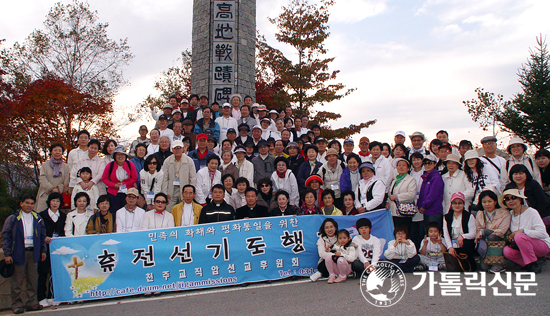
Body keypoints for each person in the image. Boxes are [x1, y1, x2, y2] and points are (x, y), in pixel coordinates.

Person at [2, 194, 46, 313]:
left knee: (32, 280)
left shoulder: (37, 218)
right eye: (27, 203)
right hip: (18, 253)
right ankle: (16, 304)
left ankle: (31, 303)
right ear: (21, 203)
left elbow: (42, 236)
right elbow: (5, 236)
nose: (29, 205)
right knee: (17, 281)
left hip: (33, 252)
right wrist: (7, 254)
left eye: (32, 203)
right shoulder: (13, 218)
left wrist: (43, 250)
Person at [501, 189, 550, 273]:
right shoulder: (510, 214)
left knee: (519, 236)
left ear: (520, 199)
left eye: (514, 198)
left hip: (542, 244)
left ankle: (533, 264)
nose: (511, 201)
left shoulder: (532, 212)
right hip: (522, 246)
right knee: (507, 251)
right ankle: (528, 264)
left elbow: (542, 233)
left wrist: (523, 231)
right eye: (507, 199)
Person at [37, 193, 66, 307]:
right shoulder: (41, 216)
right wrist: (44, 238)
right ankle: (41, 297)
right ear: (49, 202)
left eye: (57, 201)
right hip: (45, 248)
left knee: (57, 272)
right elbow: (37, 232)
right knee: (43, 272)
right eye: (53, 201)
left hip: (58, 249)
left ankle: (53, 295)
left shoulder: (63, 216)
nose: (55, 203)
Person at [474, 188, 511, 273]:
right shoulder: (480, 213)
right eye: (484, 202)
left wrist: (484, 231)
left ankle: (500, 263)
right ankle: (487, 259)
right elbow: (478, 229)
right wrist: (480, 233)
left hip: (499, 239)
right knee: (484, 268)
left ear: (495, 202)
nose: (487, 204)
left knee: (492, 236)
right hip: (486, 242)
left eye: (490, 201)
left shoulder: (504, 212)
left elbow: (502, 230)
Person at [443, 192, 477, 271]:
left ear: (464, 204)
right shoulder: (447, 217)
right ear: (451, 204)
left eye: (460, 203)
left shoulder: (469, 216)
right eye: (454, 203)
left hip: (464, 243)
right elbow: (446, 234)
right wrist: (450, 247)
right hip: (453, 243)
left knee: (466, 244)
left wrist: (462, 236)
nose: (457, 205)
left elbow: (473, 233)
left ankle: (468, 265)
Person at [162, 140, 197, 212]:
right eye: (175, 148)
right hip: (171, 191)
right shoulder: (167, 161)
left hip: (185, 190)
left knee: (183, 211)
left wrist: (191, 192)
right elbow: (164, 178)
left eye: (179, 148)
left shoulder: (189, 160)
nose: (177, 150)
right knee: (169, 210)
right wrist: (164, 193)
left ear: (183, 149)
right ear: (172, 150)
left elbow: (193, 178)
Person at [101, 145, 138, 213]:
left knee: (127, 212)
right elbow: (104, 178)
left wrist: (124, 184)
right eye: (118, 154)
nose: (120, 156)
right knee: (114, 212)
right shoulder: (110, 165)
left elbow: (134, 178)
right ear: (115, 156)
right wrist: (114, 185)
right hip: (113, 193)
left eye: (122, 154)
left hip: (127, 192)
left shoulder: (130, 164)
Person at [36, 143, 70, 212]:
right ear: (51, 152)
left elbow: (67, 181)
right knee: (42, 217)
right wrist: (51, 188)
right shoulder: (44, 165)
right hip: (45, 194)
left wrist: (58, 189)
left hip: (59, 195)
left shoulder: (66, 167)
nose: (57, 152)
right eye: (55, 150)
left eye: (59, 151)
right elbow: (42, 178)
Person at [388, 158, 417, 231]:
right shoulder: (395, 180)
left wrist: (397, 197)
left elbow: (411, 195)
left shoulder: (411, 180)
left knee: (404, 232)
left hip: (404, 212)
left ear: (408, 168)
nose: (401, 167)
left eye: (403, 165)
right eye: (399, 165)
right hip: (394, 212)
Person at [417, 155, 444, 227]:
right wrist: (420, 205)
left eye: (430, 163)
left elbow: (432, 195)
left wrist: (424, 205)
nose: (427, 165)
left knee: (434, 233)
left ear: (435, 164)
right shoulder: (426, 176)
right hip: (427, 211)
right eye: (425, 163)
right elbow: (422, 194)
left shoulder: (436, 177)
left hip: (434, 211)